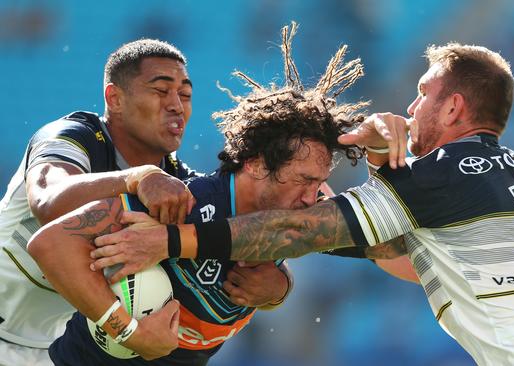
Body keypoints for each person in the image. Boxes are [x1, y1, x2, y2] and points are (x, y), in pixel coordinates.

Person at [91, 42, 514, 365]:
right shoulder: (506, 169)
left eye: (424, 93)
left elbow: (304, 232)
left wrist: (168, 242)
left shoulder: (443, 175)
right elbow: (399, 255)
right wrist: (362, 148)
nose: (412, 104)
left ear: (454, 107)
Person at [27, 23, 385, 365]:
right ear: (257, 165)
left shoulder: (297, 215)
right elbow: (49, 244)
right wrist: (129, 331)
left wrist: (279, 289)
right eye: (303, 180)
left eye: (318, 181)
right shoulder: (178, 203)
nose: (315, 197)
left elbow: (392, 247)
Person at [0, 38, 290, 365]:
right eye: (160, 90)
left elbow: (233, 232)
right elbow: (48, 201)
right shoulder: (72, 137)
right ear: (115, 98)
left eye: (185, 94)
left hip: (49, 350)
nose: (176, 105)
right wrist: (135, 178)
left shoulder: (177, 184)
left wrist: (279, 287)